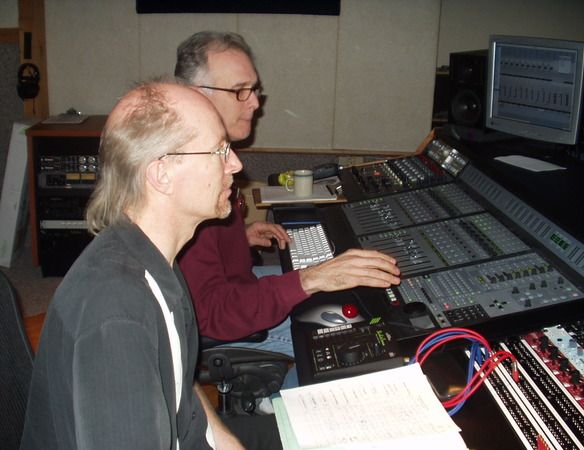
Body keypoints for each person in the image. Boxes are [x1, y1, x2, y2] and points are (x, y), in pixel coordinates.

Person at [20, 79, 282, 450]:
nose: (236, 164)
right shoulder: (115, 318)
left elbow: (177, 382)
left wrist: (226, 442)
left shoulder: (156, 256)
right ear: (162, 174)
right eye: (220, 150)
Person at [176, 31, 401, 360]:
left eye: (254, 90)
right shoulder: (190, 182)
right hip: (221, 324)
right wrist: (309, 279)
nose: (255, 103)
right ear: (197, 95)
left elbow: (199, 259)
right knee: (356, 341)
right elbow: (211, 314)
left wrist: (239, 238)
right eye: (240, 91)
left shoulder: (203, 155)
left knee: (342, 287)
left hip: (239, 286)